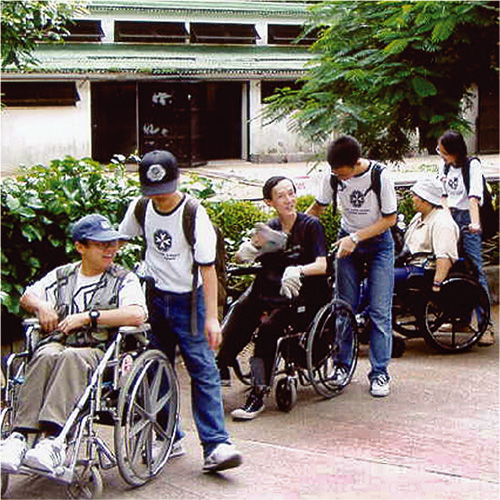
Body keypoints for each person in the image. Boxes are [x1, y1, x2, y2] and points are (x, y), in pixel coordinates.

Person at [119, 150, 242, 473]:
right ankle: (166, 434)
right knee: (156, 369)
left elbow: (208, 269)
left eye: (164, 191)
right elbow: (120, 238)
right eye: (153, 192)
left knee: (203, 369)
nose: (159, 198)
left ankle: (216, 445)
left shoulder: (193, 213)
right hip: (155, 297)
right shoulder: (142, 207)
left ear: (177, 181)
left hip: (190, 301)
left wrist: (212, 318)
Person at [0, 214, 147, 474]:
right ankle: (19, 437)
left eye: (112, 243)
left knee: (71, 358)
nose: (111, 249)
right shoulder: (63, 275)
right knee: (44, 354)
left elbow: (136, 314)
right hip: (59, 343)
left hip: (98, 351)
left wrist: (89, 317)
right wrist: (42, 305)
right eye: (102, 244)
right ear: (81, 247)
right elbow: (27, 296)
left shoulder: (124, 279)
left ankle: (53, 440)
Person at [221, 176, 329, 420]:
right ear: (269, 202)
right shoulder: (269, 228)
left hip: (301, 295)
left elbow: (322, 265)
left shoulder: (310, 226)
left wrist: (299, 270)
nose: (289, 200)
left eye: (291, 193)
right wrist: (246, 253)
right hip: (268, 291)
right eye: (281, 196)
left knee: (269, 328)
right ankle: (222, 364)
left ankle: (259, 393)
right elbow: (246, 254)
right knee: (240, 311)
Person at [307, 135, 397, 398]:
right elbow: (318, 208)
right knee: (343, 307)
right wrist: (293, 228)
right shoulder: (332, 176)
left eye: (341, 172)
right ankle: (342, 366)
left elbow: (390, 219)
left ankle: (379, 373)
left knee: (380, 311)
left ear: (356, 163)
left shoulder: (380, 176)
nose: (338, 177)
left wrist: (356, 239)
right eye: (334, 172)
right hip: (347, 241)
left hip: (378, 244)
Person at [437, 130, 495, 346]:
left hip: (468, 218)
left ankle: (484, 324)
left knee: (475, 270)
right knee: (453, 268)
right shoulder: (443, 165)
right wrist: (445, 219)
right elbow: (442, 195)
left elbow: (474, 196)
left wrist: (475, 224)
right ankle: (459, 319)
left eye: (444, 152)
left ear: (455, 151)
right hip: (450, 217)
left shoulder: (472, 165)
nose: (441, 155)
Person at [395, 177, 460, 289]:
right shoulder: (419, 217)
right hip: (409, 264)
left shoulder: (442, 222)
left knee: (377, 280)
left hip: (423, 270)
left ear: (425, 200)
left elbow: (444, 258)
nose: (412, 199)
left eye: (415, 196)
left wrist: (437, 283)